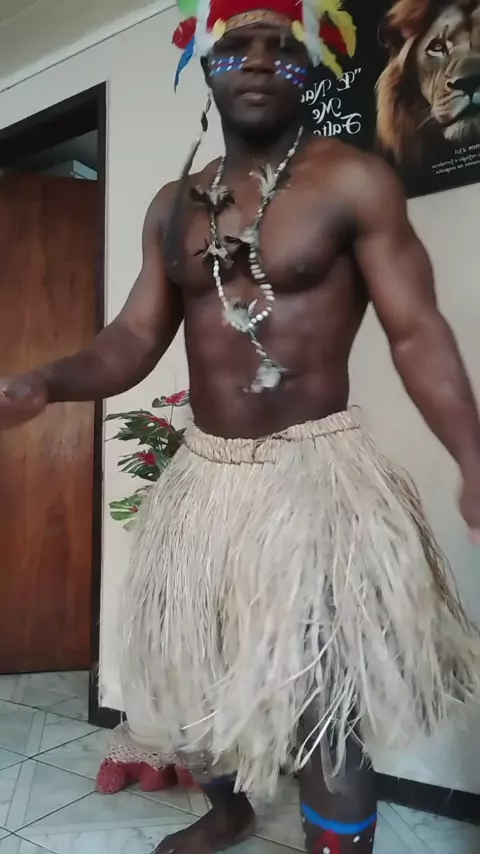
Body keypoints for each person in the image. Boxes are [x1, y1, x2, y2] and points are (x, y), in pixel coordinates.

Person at [2, 2, 480, 852]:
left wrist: (473, 459)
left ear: (314, 63)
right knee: (191, 670)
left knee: (326, 703)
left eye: (281, 46)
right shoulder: (173, 205)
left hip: (317, 478)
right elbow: (132, 339)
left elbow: (416, 331)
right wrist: (48, 380)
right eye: (238, 45)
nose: (259, 59)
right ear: (205, 65)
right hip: (207, 477)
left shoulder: (353, 181)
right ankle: (229, 812)